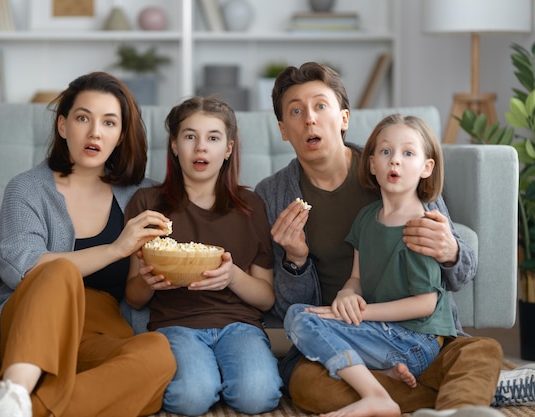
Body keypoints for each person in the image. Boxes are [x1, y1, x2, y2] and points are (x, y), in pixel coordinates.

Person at [0, 71, 177, 417]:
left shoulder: (143, 196)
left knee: (157, 353)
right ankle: (17, 387)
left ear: (121, 135)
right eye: (83, 118)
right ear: (64, 126)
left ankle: (5, 408)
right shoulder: (27, 189)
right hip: (30, 327)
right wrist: (115, 249)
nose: (95, 132)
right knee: (58, 273)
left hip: (101, 331)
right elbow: (21, 269)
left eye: (109, 123)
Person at [254, 62, 505, 416]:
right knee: (307, 385)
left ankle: (452, 402)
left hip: (418, 336)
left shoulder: (396, 169)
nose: (309, 119)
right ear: (283, 129)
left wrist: (451, 252)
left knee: (481, 351)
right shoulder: (273, 194)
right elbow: (283, 308)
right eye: (296, 111)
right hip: (343, 342)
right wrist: (295, 262)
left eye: (320, 106)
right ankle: (455, 396)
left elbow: (458, 275)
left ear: (343, 118)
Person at [285, 114, 457, 417]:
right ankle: (383, 379)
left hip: (416, 341)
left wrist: (363, 313)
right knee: (299, 314)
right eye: (386, 152)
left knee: (304, 320)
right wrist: (346, 296)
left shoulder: (421, 226)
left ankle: (376, 396)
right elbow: (356, 278)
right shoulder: (367, 217)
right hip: (382, 331)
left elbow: (425, 303)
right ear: (372, 163)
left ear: (426, 168)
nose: (395, 162)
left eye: (408, 153)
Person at [124, 96, 283, 416]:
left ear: (228, 149)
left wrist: (233, 276)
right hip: (175, 325)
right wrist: (148, 281)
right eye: (189, 136)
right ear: (174, 145)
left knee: (258, 397)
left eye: (213, 138)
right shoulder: (147, 204)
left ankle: (221, 375)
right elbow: (134, 297)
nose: (201, 148)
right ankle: (205, 379)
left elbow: (266, 298)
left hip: (240, 325)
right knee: (190, 398)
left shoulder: (251, 206)